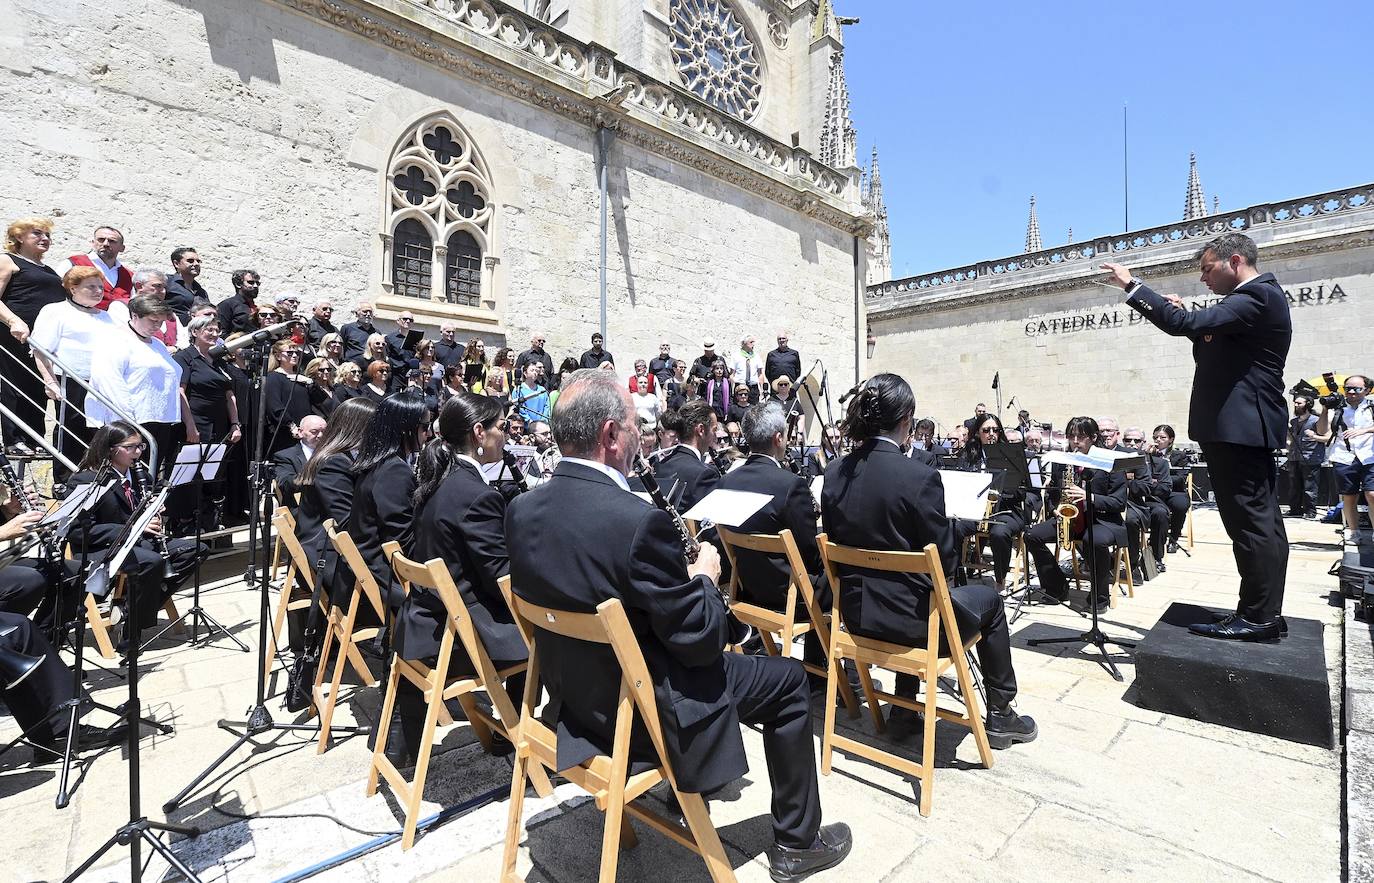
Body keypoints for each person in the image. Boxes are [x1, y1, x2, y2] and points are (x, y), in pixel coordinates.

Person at [507, 369, 853, 880]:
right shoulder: (635, 520)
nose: (641, 440)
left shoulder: (521, 507)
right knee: (789, 681)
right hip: (644, 709)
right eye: (633, 428)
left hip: (578, 701)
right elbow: (700, 642)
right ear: (609, 435)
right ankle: (798, 844)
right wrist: (706, 578)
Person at [820, 373, 1036, 748]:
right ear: (906, 419)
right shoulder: (920, 477)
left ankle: (904, 709)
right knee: (989, 600)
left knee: (912, 589)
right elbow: (946, 563)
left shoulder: (835, 472)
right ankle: (1001, 712)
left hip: (855, 618)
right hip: (914, 628)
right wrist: (950, 526)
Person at [1103, 231, 1291, 641]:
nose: (1203, 278)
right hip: (1240, 429)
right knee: (1259, 523)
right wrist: (1192, 322)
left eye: (1208, 269)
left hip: (1239, 430)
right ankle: (1262, 610)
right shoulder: (1253, 301)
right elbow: (1209, 335)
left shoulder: (1256, 296)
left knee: (1252, 525)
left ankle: (1259, 616)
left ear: (1235, 261)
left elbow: (1183, 325)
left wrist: (1131, 285)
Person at [388, 392, 525, 766]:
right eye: (501, 428)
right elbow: (502, 578)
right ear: (479, 433)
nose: (506, 436)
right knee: (553, 628)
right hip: (463, 635)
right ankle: (528, 738)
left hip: (430, 621)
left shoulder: (437, 480)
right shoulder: (477, 495)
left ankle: (512, 730)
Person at [719, 401, 835, 684]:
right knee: (836, 580)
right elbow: (807, 554)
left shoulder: (726, 481)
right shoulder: (790, 484)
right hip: (788, 597)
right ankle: (817, 671)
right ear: (779, 438)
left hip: (747, 590)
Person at [67, 422, 205, 643]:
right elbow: (77, 532)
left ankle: (132, 611)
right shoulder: (86, 481)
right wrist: (133, 527)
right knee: (151, 562)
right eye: (131, 447)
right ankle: (133, 630)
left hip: (139, 544)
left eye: (140, 446)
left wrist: (156, 510)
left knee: (195, 550)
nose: (139, 452)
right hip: (104, 549)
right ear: (111, 448)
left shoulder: (140, 477)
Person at [1022, 416, 1127, 613]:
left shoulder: (1110, 461)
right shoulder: (1063, 460)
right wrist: (1054, 509)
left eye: (1081, 437)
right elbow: (1052, 492)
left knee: (1094, 540)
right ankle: (1057, 586)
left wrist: (1089, 496)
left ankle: (1099, 597)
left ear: (1094, 437)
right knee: (1031, 535)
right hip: (1070, 518)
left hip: (1102, 520)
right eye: (1071, 436)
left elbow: (1119, 502)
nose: (1075, 442)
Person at [29, 267, 119, 485]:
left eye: (100, 287)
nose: (98, 291)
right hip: (73, 379)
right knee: (71, 428)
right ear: (73, 288)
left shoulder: (106, 317)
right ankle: (65, 480)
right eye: (91, 286)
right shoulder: (56, 311)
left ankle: (95, 478)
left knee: (100, 431)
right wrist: (49, 381)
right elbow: (40, 349)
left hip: (101, 382)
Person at [88, 294, 199, 469]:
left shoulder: (158, 344)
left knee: (149, 475)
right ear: (134, 316)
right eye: (153, 320)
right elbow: (109, 381)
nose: (158, 326)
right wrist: (128, 421)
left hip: (160, 418)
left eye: (161, 322)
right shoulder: (115, 340)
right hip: (132, 419)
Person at [294, 397, 375, 612]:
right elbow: (348, 520)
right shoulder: (334, 462)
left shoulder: (341, 457)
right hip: (326, 557)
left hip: (334, 547)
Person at [350, 391, 429, 612]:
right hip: (384, 578)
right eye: (424, 427)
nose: (428, 433)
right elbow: (403, 538)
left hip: (373, 568)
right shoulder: (394, 470)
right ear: (406, 429)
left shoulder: (379, 462)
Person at [1, 217, 65, 454]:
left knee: (38, 386)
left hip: (41, 338)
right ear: (19, 237)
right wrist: (12, 320)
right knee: (15, 383)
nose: (45, 239)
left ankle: (34, 438)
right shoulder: (8, 260)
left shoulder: (48, 270)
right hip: (14, 333)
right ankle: (14, 440)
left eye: (47, 235)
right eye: (37, 234)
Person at [956, 414, 1028, 589]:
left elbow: (1023, 491)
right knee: (953, 528)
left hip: (1006, 509)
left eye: (996, 430)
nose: (991, 434)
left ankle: (1000, 580)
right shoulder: (968, 455)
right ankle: (956, 577)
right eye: (986, 430)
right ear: (977, 433)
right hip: (975, 510)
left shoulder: (1011, 455)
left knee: (1000, 533)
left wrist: (1003, 491)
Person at [1315, 374, 1374, 541]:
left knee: (1372, 494)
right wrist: (1326, 408)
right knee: (1349, 496)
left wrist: (1365, 430)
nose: (1352, 393)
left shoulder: (1371, 407)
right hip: (1344, 456)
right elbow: (1321, 430)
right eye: (1348, 389)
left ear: (1367, 390)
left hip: (1370, 455)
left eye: (1357, 389)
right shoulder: (1338, 408)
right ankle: (1354, 532)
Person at [1121, 427, 1173, 573]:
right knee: (1130, 519)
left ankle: (1156, 557)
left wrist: (1144, 485)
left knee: (1161, 514)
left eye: (1136, 441)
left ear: (1143, 443)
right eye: (1127, 440)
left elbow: (1165, 488)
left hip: (1150, 500)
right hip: (1129, 501)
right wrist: (1147, 483)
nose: (1132, 444)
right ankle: (1132, 560)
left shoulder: (1159, 462)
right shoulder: (1117, 460)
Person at [653, 399, 721, 510]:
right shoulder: (705, 474)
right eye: (714, 430)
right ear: (701, 430)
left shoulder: (660, 465)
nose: (715, 436)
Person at [54, 226, 132, 311]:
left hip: (117, 323)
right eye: (101, 239)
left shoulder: (129, 275)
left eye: (112, 241)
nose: (105, 244)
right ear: (93, 243)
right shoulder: (73, 263)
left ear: (122, 248)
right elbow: (55, 292)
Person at [263, 339, 312, 456]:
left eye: (297, 353)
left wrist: (310, 382)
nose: (294, 355)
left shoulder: (302, 378)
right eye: (289, 353)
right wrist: (291, 425)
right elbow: (274, 405)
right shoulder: (273, 377)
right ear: (278, 356)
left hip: (305, 431)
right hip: (285, 432)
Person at [1151, 423, 1193, 552]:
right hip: (1155, 491)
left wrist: (1162, 479)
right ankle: (1156, 537)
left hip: (1175, 491)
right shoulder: (1149, 454)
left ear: (1171, 439)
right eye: (1156, 437)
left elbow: (1181, 477)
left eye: (1162, 437)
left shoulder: (1179, 455)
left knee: (1180, 505)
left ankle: (1173, 538)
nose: (1158, 440)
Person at [272, 414, 326, 504]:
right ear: (300, 432)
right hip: (302, 507)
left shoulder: (334, 454)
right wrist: (318, 479)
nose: (320, 435)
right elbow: (285, 483)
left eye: (324, 431)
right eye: (314, 431)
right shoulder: (285, 456)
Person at [1287, 395, 1325, 518]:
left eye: (1299, 403)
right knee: (1294, 485)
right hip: (1294, 457)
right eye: (1295, 403)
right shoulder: (1293, 421)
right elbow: (1290, 438)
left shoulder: (1316, 420)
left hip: (1310, 457)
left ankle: (1310, 511)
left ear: (1308, 404)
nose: (1296, 405)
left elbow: (1328, 438)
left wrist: (1314, 436)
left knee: (1310, 487)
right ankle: (1295, 509)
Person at [164, 247, 205, 323]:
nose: (196, 264)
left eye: (198, 261)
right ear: (176, 264)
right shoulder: (167, 282)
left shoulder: (202, 292)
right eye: (190, 261)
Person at [216, 268, 261, 335]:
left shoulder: (257, 308)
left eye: (257, 283)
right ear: (238, 284)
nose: (255, 286)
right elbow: (221, 333)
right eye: (250, 282)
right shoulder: (227, 305)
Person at [730, 335, 765, 404]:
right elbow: (732, 374)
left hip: (753, 388)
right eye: (751, 342)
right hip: (740, 387)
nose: (753, 344)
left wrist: (762, 389)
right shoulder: (736, 356)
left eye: (753, 342)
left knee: (754, 410)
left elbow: (760, 374)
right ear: (744, 343)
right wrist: (733, 389)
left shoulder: (756, 356)